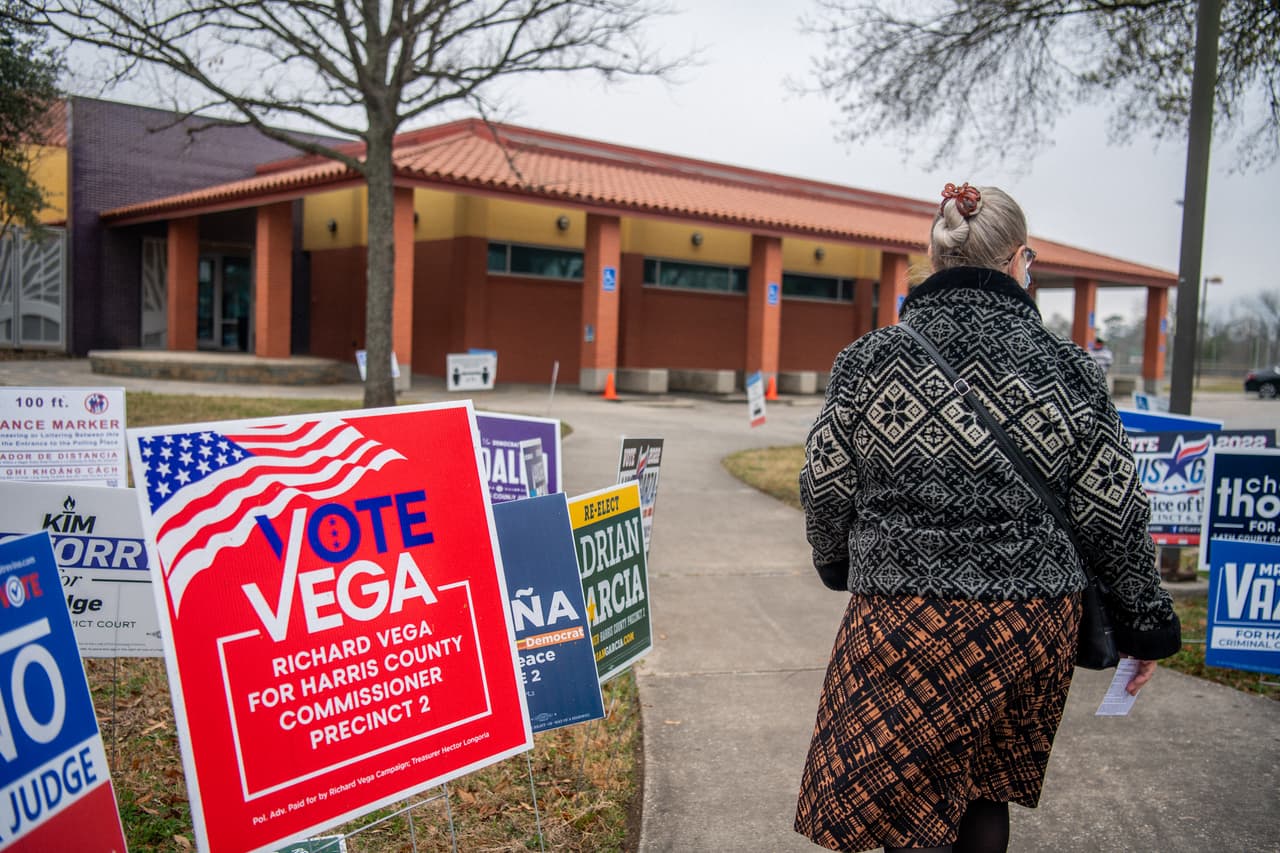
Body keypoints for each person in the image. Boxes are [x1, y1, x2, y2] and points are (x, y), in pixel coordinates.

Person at [793, 183, 1181, 853]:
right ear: (1018, 260)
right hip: (1030, 618)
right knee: (983, 785)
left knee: (907, 793)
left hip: (904, 613)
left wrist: (836, 559)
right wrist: (1144, 620)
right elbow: (1114, 507)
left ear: (935, 259)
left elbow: (825, 482)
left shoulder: (869, 359)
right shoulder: (1068, 369)